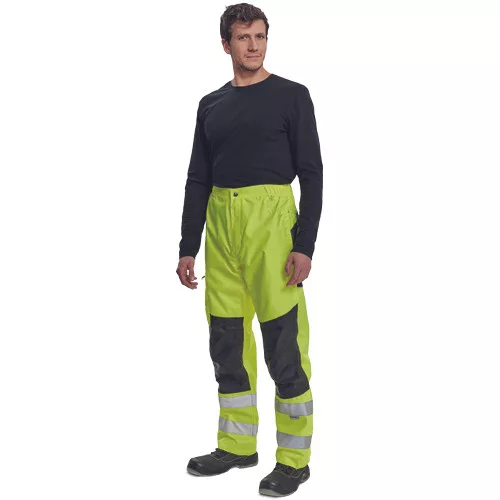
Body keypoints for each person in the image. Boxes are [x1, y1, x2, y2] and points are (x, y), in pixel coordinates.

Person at [176, 3, 323, 497]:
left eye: (260, 36)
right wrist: (187, 246)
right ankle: (237, 446)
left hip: (271, 227)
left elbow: (313, 173)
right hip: (221, 230)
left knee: (284, 345)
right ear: (226, 45)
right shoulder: (210, 105)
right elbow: (198, 178)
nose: (254, 45)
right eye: (243, 37)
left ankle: (294, 460)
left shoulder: (292, 96)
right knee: (227, 343)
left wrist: (304, 245)